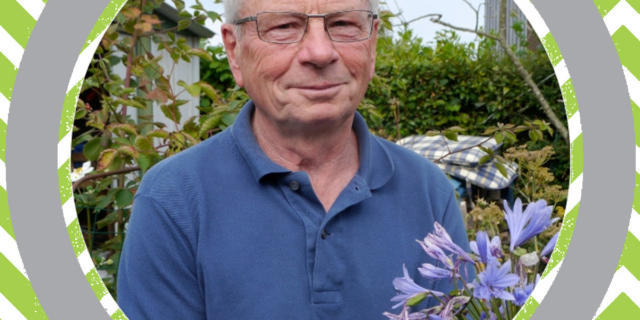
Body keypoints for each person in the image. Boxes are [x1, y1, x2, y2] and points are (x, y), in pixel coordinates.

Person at [117, 0, 471, 319]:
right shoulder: (174, 200)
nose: (320, 52)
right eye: (284, 26)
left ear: (373, 43)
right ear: (233, 50)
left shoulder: (427, 192)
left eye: (343, 24)